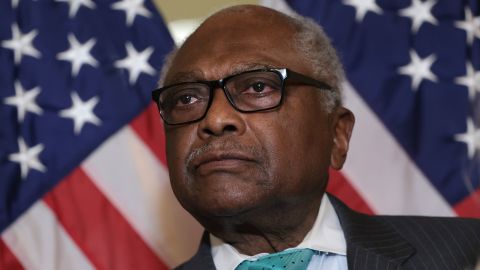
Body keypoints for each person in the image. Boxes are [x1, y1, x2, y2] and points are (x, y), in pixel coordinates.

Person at [152, 5, 480, 270]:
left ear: (336, 136)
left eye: (258, 87)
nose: (216, 118)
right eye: (186, 99)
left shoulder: (466, 254)